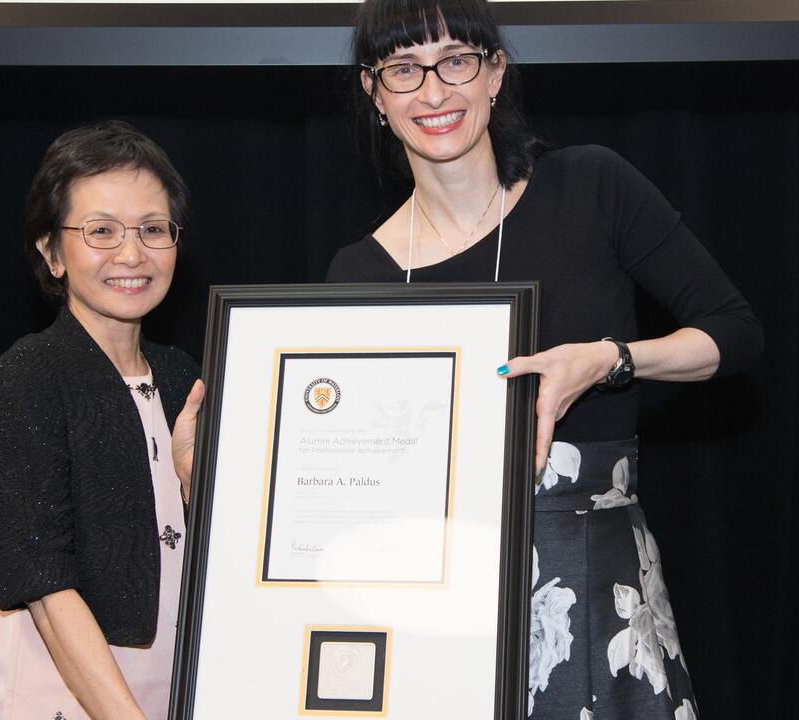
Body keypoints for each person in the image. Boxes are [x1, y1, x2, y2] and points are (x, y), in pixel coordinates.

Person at [326, 1, 763, 717]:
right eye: (404, 69)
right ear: (375, 94)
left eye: (456, 61)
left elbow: (735, 333)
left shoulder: (592, 186)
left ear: (495, 73)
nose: (433, 92)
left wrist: (610, 360)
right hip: (435, 599)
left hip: (591, 579)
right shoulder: (357, 273)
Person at [0, 120, 204, 720]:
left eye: (154, 230)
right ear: (51, 252)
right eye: (101, 231)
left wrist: (193, 484)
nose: (132, 253)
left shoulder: (183, 378)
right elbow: (44, 588)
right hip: (64, 704)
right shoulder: (27, 377)